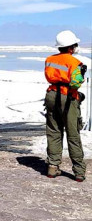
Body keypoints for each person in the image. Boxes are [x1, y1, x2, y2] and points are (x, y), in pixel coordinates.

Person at [44, 30, 87, 182]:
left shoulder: (49, 59)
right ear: (71, 47)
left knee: (54, 131)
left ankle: (52, 167)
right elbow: (75, 82)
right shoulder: (75, 63)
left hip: (51, 95)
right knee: (73, 134)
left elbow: (49, 76)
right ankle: (79, 172)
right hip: (67, 97)